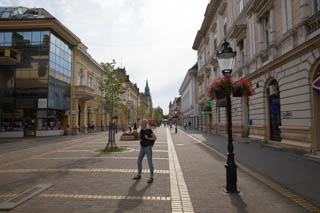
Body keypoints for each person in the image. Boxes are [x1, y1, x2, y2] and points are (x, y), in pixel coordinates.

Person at [132, 119, 157, 183]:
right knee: (139, 161)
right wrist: (139, 137)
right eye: (140, 124)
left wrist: (148, 138)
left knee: (149, 162)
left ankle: (151, 177)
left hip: (148, 148)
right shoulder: (141, 130)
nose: (141, 125)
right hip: (142, 148)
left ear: (145, 124)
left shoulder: (149, 130)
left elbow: (155, 138)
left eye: (142, 124)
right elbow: (140, 138)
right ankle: (139, 175)